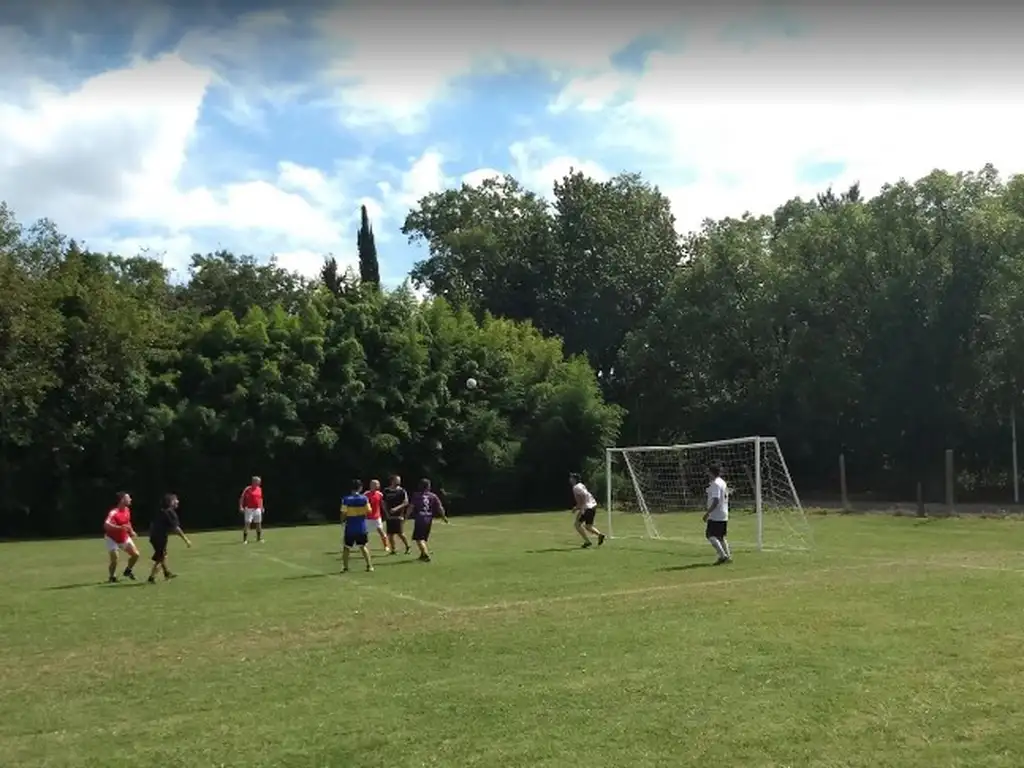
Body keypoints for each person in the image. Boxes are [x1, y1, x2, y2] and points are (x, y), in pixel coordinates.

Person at [148, 493, 192, 583]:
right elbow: (176, 528)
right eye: (176, 500)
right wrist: (186, 540)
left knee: (162, 556)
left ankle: (167, 573)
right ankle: (151, 578)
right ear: (171, 502)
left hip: (155, 536)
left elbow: (153, 523)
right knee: (161, 558)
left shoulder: (161, 511)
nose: (178, 501)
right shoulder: (170, 512)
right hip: (159, 537)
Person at [407, 477, 448, 562]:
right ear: (428, 486)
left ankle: (426, 554)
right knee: (423, 537)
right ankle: (422, 555)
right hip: (429, 518)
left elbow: (411, 507)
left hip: (420, 518)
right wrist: (444, 517)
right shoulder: (433, 495)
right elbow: (440, 507)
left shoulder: (416, 495)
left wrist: (406, 516)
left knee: (419, 538)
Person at [104, 492, 141, 582]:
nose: (130, 499)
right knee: (115, 558)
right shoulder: (114, 512)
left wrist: (131, 531)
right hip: (112, 539)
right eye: (128, 498)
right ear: (122, 500)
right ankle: (112, 577)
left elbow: (128, 522)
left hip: (123, 537)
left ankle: (128, 571)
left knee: (136, 555)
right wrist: (119, 528)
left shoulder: (127, 510)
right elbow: (106, 525)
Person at [341, 480, 374, 573]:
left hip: (350, 527)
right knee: (363, 546)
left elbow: (343, 513)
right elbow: (369, 511)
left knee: (346, 547)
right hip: (361, 526)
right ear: (360, 488)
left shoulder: (346, 499)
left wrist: (343, 521)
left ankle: (345, 567)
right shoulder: (364, 498)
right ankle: (369, 566)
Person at [703, 463, 731, 564]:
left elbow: (716, 500)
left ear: (711, 472)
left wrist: (708, 513)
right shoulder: (722, 482)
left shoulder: (715, 484)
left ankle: (723, 556)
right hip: (724, 513)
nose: (707, 474)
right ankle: (728, 556)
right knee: (721, 536)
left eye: (708, 472)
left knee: (709, 535)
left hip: (716, 514)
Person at [569, 473, 605, 548]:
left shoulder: (576, 487)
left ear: (575, 479)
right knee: (588, 526)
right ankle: (600, 535)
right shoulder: (581, 485)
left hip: (587, 507)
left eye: (571, 478)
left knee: (577, 524)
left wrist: (579, 508)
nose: (570, 479)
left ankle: (587, 541)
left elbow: (583, 496)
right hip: (593, 506)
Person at [382, 474, 410, 555]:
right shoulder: (386, 490)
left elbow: (406, 502)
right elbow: (383, 503)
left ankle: (407, 546)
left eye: (399, 480)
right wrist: (386, 513)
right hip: (389, 515)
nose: (399, 481)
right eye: (397, 480)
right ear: (392, 481)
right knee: (390, 534)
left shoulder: (402, 491)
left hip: (399, 515)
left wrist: (396, 508)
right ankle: (393, 550)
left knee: (400, 533)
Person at [365, 479, 390, 552]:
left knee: (381, 531)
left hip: (377, 517)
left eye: (377, 484)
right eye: (374, 484)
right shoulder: (366, 494)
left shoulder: (380, 494)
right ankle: (364, 546)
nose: (376, 485)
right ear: (370, 485)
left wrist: (386, 513)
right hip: (367, 518)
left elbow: (383, 505)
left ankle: (386, 546)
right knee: (365, 533)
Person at [239, 476, 264, 544]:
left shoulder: (259, 489)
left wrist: (261, 507)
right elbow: (242, 498)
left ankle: (259, 539)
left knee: (258, 524)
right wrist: (241, 506)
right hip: (249, 509)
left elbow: (260, 499)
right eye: (258, 481)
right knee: (247, 524)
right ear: (254, 481)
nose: (259, 482)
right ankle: (245, 540)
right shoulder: (248, 489)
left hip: (257, 509)